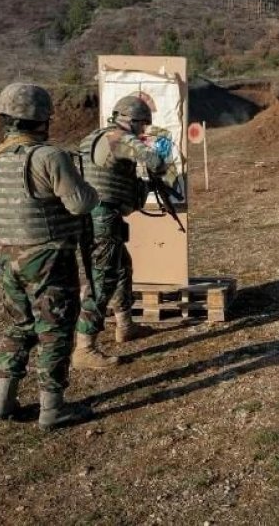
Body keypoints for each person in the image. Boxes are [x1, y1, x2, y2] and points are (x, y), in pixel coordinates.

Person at [0, 83, 98, 430]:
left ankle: (4, 402)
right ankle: (52, 408)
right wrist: (89, 187)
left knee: (19, 327)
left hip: (7, 259)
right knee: (56, 329)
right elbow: (80, 204)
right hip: (46, 258)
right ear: (43, 117)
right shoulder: (49, 157)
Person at [72, 96, 167, 369]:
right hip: (102, 216)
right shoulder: (120, 139)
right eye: (142, 126)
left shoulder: (92, 138)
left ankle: (125, 325)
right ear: (133, 120)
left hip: (97, 215)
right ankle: (84, 347)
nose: (143, 131)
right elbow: (155, 161)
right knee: (101, 280)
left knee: (122, 267)